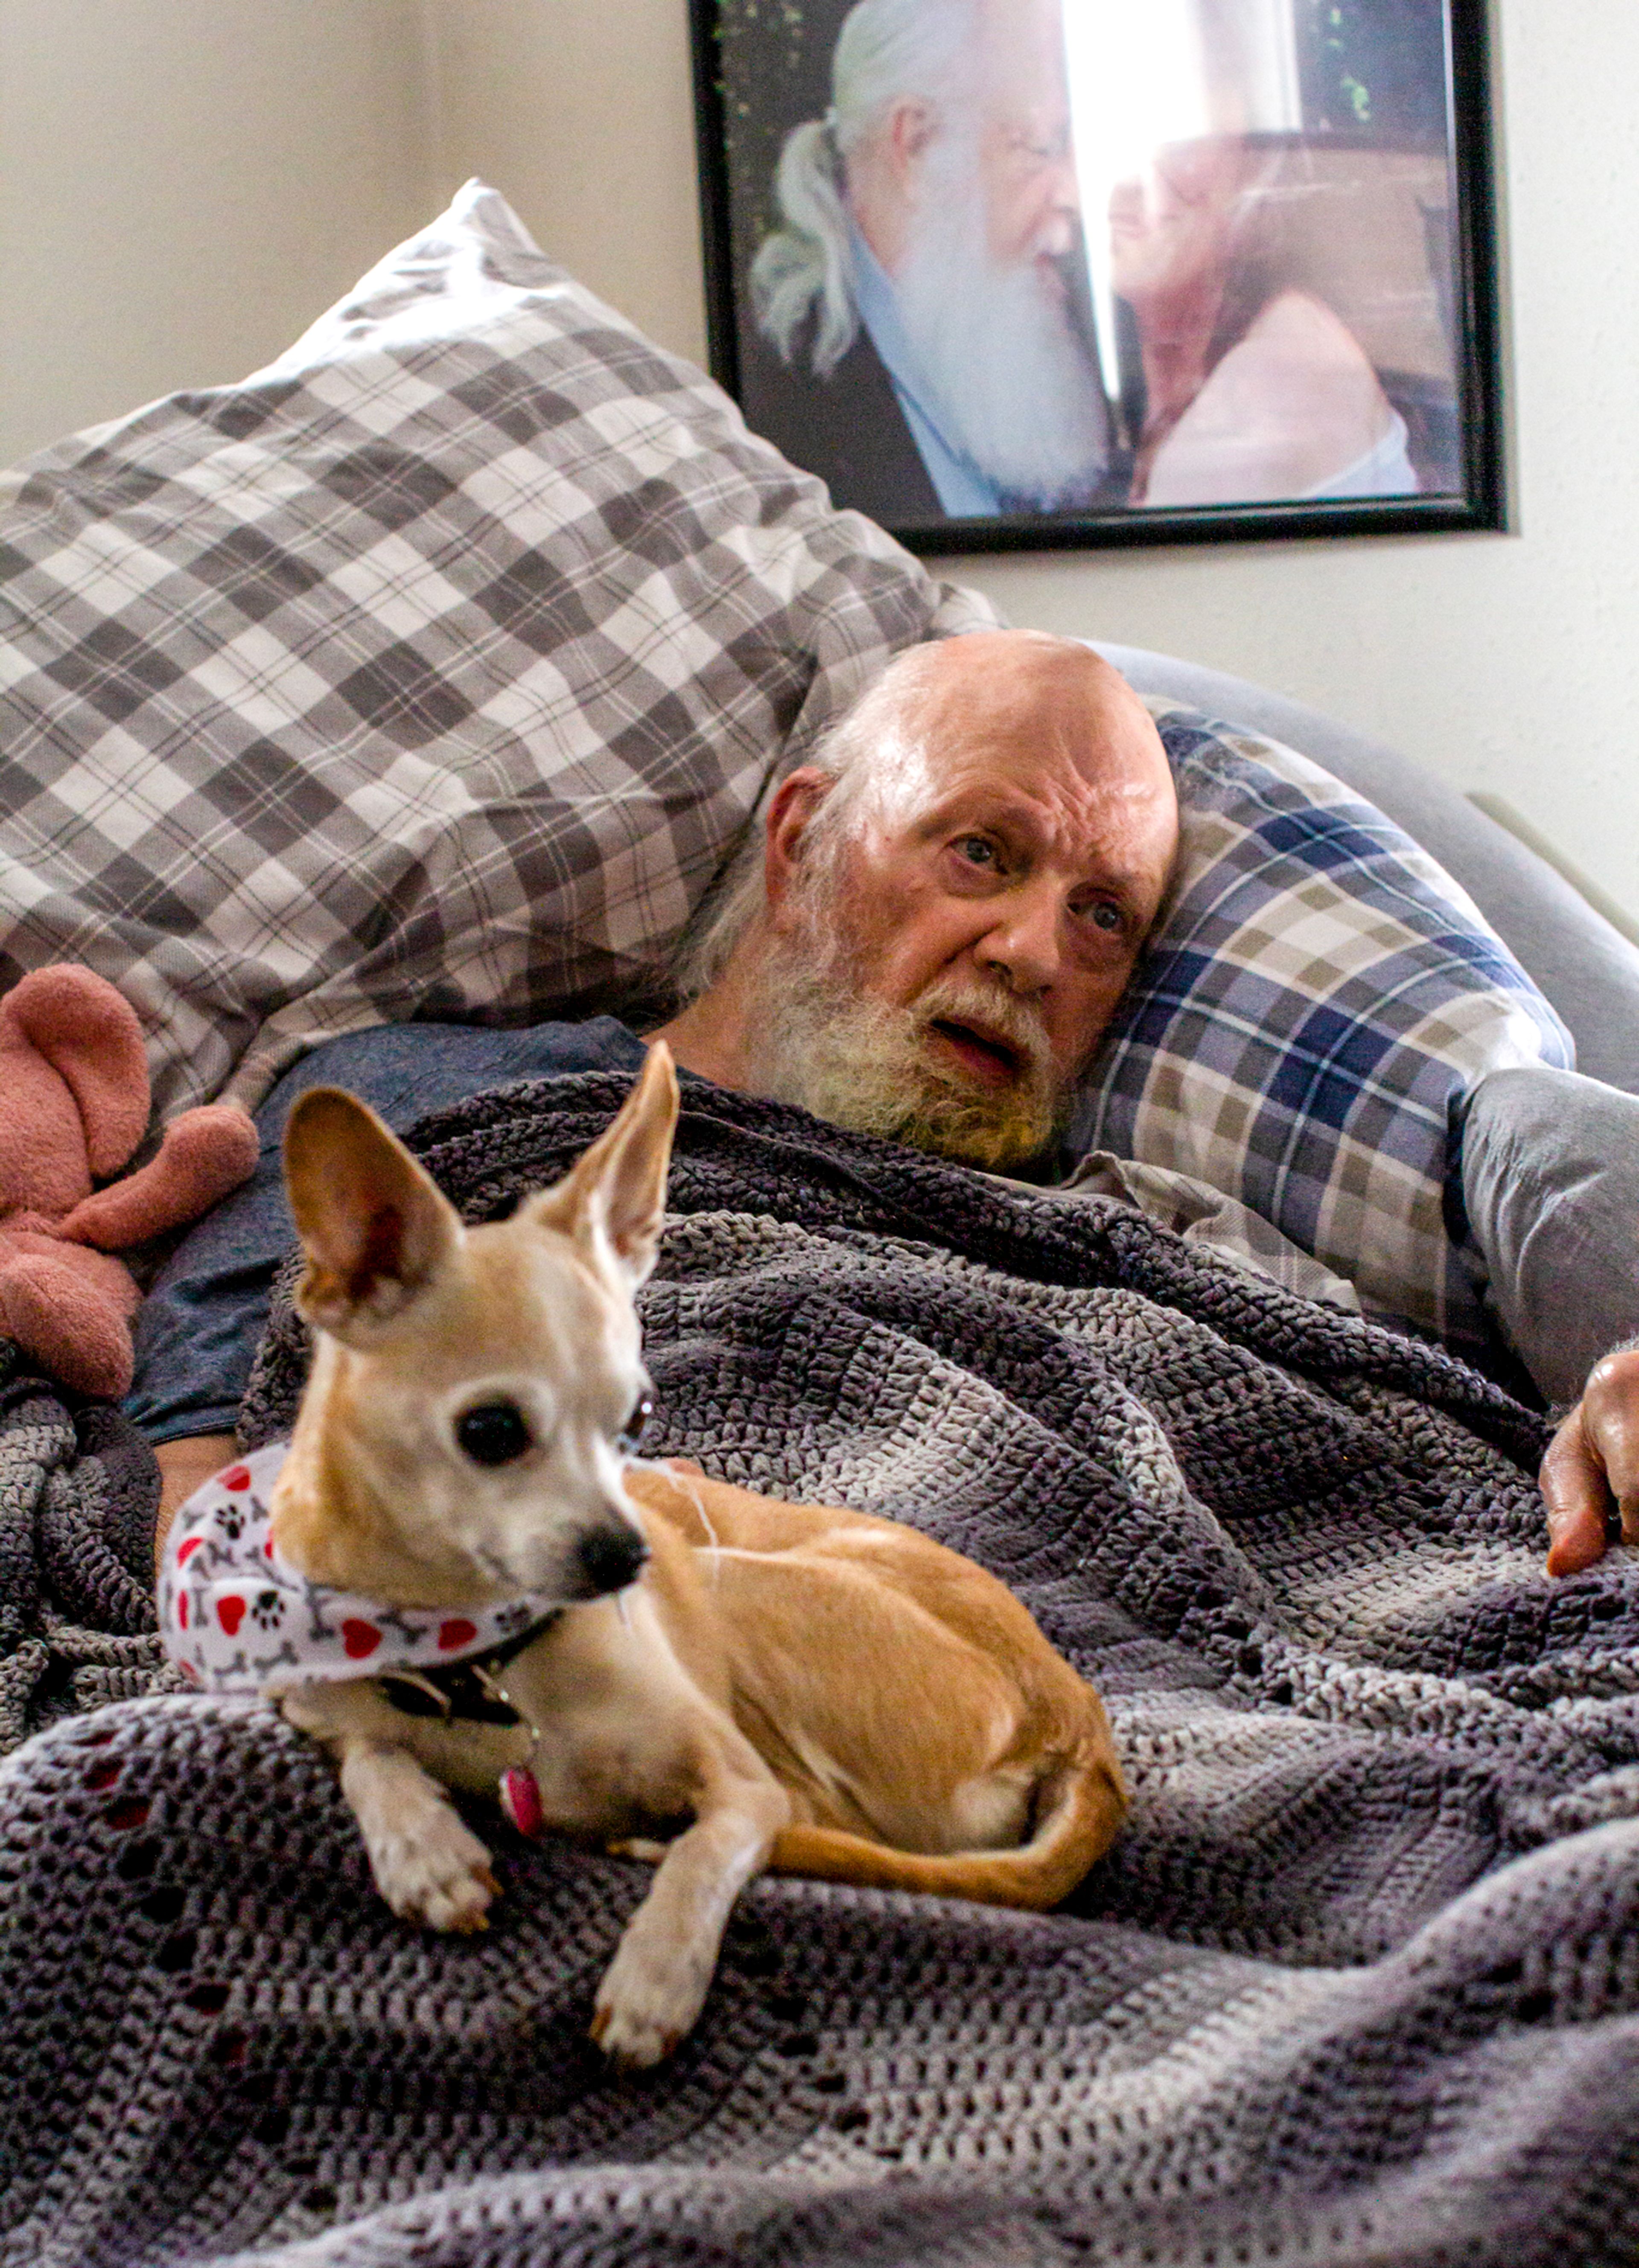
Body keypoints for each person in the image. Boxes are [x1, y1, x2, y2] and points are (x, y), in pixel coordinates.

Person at [137, 633, 1638, 1581]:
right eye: (983, 853)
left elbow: (1435, 1465)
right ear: (803, 839)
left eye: (1104, 919)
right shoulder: (451, 1099)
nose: (1040, 953)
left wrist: (1592, 1431)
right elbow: (219, 1432)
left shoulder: (1137, 1230)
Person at [741, 0, 1111, 524]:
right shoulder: (782, 405)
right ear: (915, 144)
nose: (1075, 194)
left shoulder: (1082, 328)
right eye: (1042, 147)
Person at [1108, 135, 1418, 508]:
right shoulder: (1200, 347)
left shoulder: (1277, 374)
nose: (1124, 193)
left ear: (1254, 191)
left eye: (1180, 154)